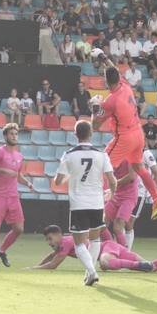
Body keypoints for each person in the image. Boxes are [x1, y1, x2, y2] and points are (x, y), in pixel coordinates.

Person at [90, 51, 157, 219]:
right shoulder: (126, 86)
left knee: (102, 166)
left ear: (106, 82)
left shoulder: (110, 101)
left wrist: (95, 106)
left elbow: (94, 125)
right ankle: (156, 199)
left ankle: (99, 206)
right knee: (139, 167)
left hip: (124, 137)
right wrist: (103, 56)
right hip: (139, 133)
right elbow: (113, 68)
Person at [53, 120, 117, 286]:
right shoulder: (102, 155)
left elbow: (58, 181)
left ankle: (92, 272)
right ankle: (90, 272)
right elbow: (112, 180)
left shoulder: (69, 154)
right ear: (91, 134)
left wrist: (70, 175)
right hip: (97, 203)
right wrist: (111, 192)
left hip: (79, 203)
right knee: (95, 240)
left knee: (79, 243)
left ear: (75, 135)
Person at [31, 226, 157, 275]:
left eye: (49, 238)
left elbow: (53, 264)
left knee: (105, 263)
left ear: (58, 235)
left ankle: (139, 265)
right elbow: (51, 256)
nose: (49, 242)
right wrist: (37, 265)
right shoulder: (66, 242)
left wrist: (33, 270)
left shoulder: (66, 242)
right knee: (151, 267)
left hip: (107, 247)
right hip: (112, 247)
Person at [0, 123, 34, 268]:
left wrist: (27, 183)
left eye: (16, 134)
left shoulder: (19, 155)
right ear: (6, 136)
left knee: (19, 228)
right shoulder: (0, 151)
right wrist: (5, 171)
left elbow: (17, 175)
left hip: (13, 196)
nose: (14, 136)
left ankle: (1, 250)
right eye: (11, 134)